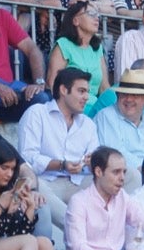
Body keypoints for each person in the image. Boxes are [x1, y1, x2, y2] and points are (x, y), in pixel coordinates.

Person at [16, 67, 99, 229]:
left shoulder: (87, 124)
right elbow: (27, 158)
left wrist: (94, 161)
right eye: (81, 91)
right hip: (47, 181)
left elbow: (94, 155)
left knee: (123, 176)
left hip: (78, 181)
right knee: (34, 184)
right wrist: (61, 164)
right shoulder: (37, 113)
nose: (86, 98)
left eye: (87, 92)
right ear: (63, 90)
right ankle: (78, 228)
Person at [46, 1, 107, 114]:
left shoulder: (97, 48)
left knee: (113, 95)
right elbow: (52, 83)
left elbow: (104, 88)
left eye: (97, 15)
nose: (96, 18)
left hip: (96, 106)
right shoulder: (64, 45)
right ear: (75, 20)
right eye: (90, 13)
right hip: (74, 106)